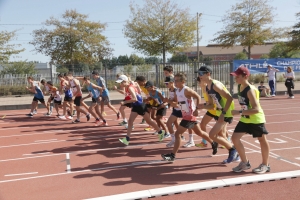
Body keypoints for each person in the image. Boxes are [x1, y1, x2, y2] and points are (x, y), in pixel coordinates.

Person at [161, 72, 218, 162]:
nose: (175, 82)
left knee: (177, 134)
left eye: (176, 81)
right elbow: (176, 104)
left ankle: (172, 155)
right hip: (185, 115)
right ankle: (213, 143)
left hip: (190, 115)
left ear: (183, 81)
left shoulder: (186, 90)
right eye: (174, 80)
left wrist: (196, 109)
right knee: (199, 133)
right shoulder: (177, 91)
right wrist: (168, 101)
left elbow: (198, 96)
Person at [230, 66, 270, 174]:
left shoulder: (250, 90)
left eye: (237, 76)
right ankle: (244, 163)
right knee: (235, 138)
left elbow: (256, 109)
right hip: (245, 119)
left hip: (256, 119)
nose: (235, 78)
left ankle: (265, 165)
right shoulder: (240, 86)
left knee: (262, 140)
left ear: (245, 76)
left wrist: (238, 112)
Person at [197, 66, 238, 163]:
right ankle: (235, 152)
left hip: (226, 112)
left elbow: (229, 98)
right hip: (220, 111)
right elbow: (211, 105)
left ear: (208, 74)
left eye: (201, 73)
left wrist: (223, 113)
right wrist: (201, 106)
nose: (199, 76)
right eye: (198, 74)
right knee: (216, 135)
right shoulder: (208, 87)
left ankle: (233, 150)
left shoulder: (215, 85)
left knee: (212, 134)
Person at [164, 76, 193, 148]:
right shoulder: (170, 90)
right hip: (176, 109)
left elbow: (176, 102)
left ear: (171, 83)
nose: (166, 85)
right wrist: (168, 102)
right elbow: (173, 101)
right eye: (165, 83)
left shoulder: (176, 90)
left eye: (167, 83)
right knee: (169, 123)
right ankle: (174, 139)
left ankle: (191, 140)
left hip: (182, 107)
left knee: (189, 125)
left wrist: (168, 101)